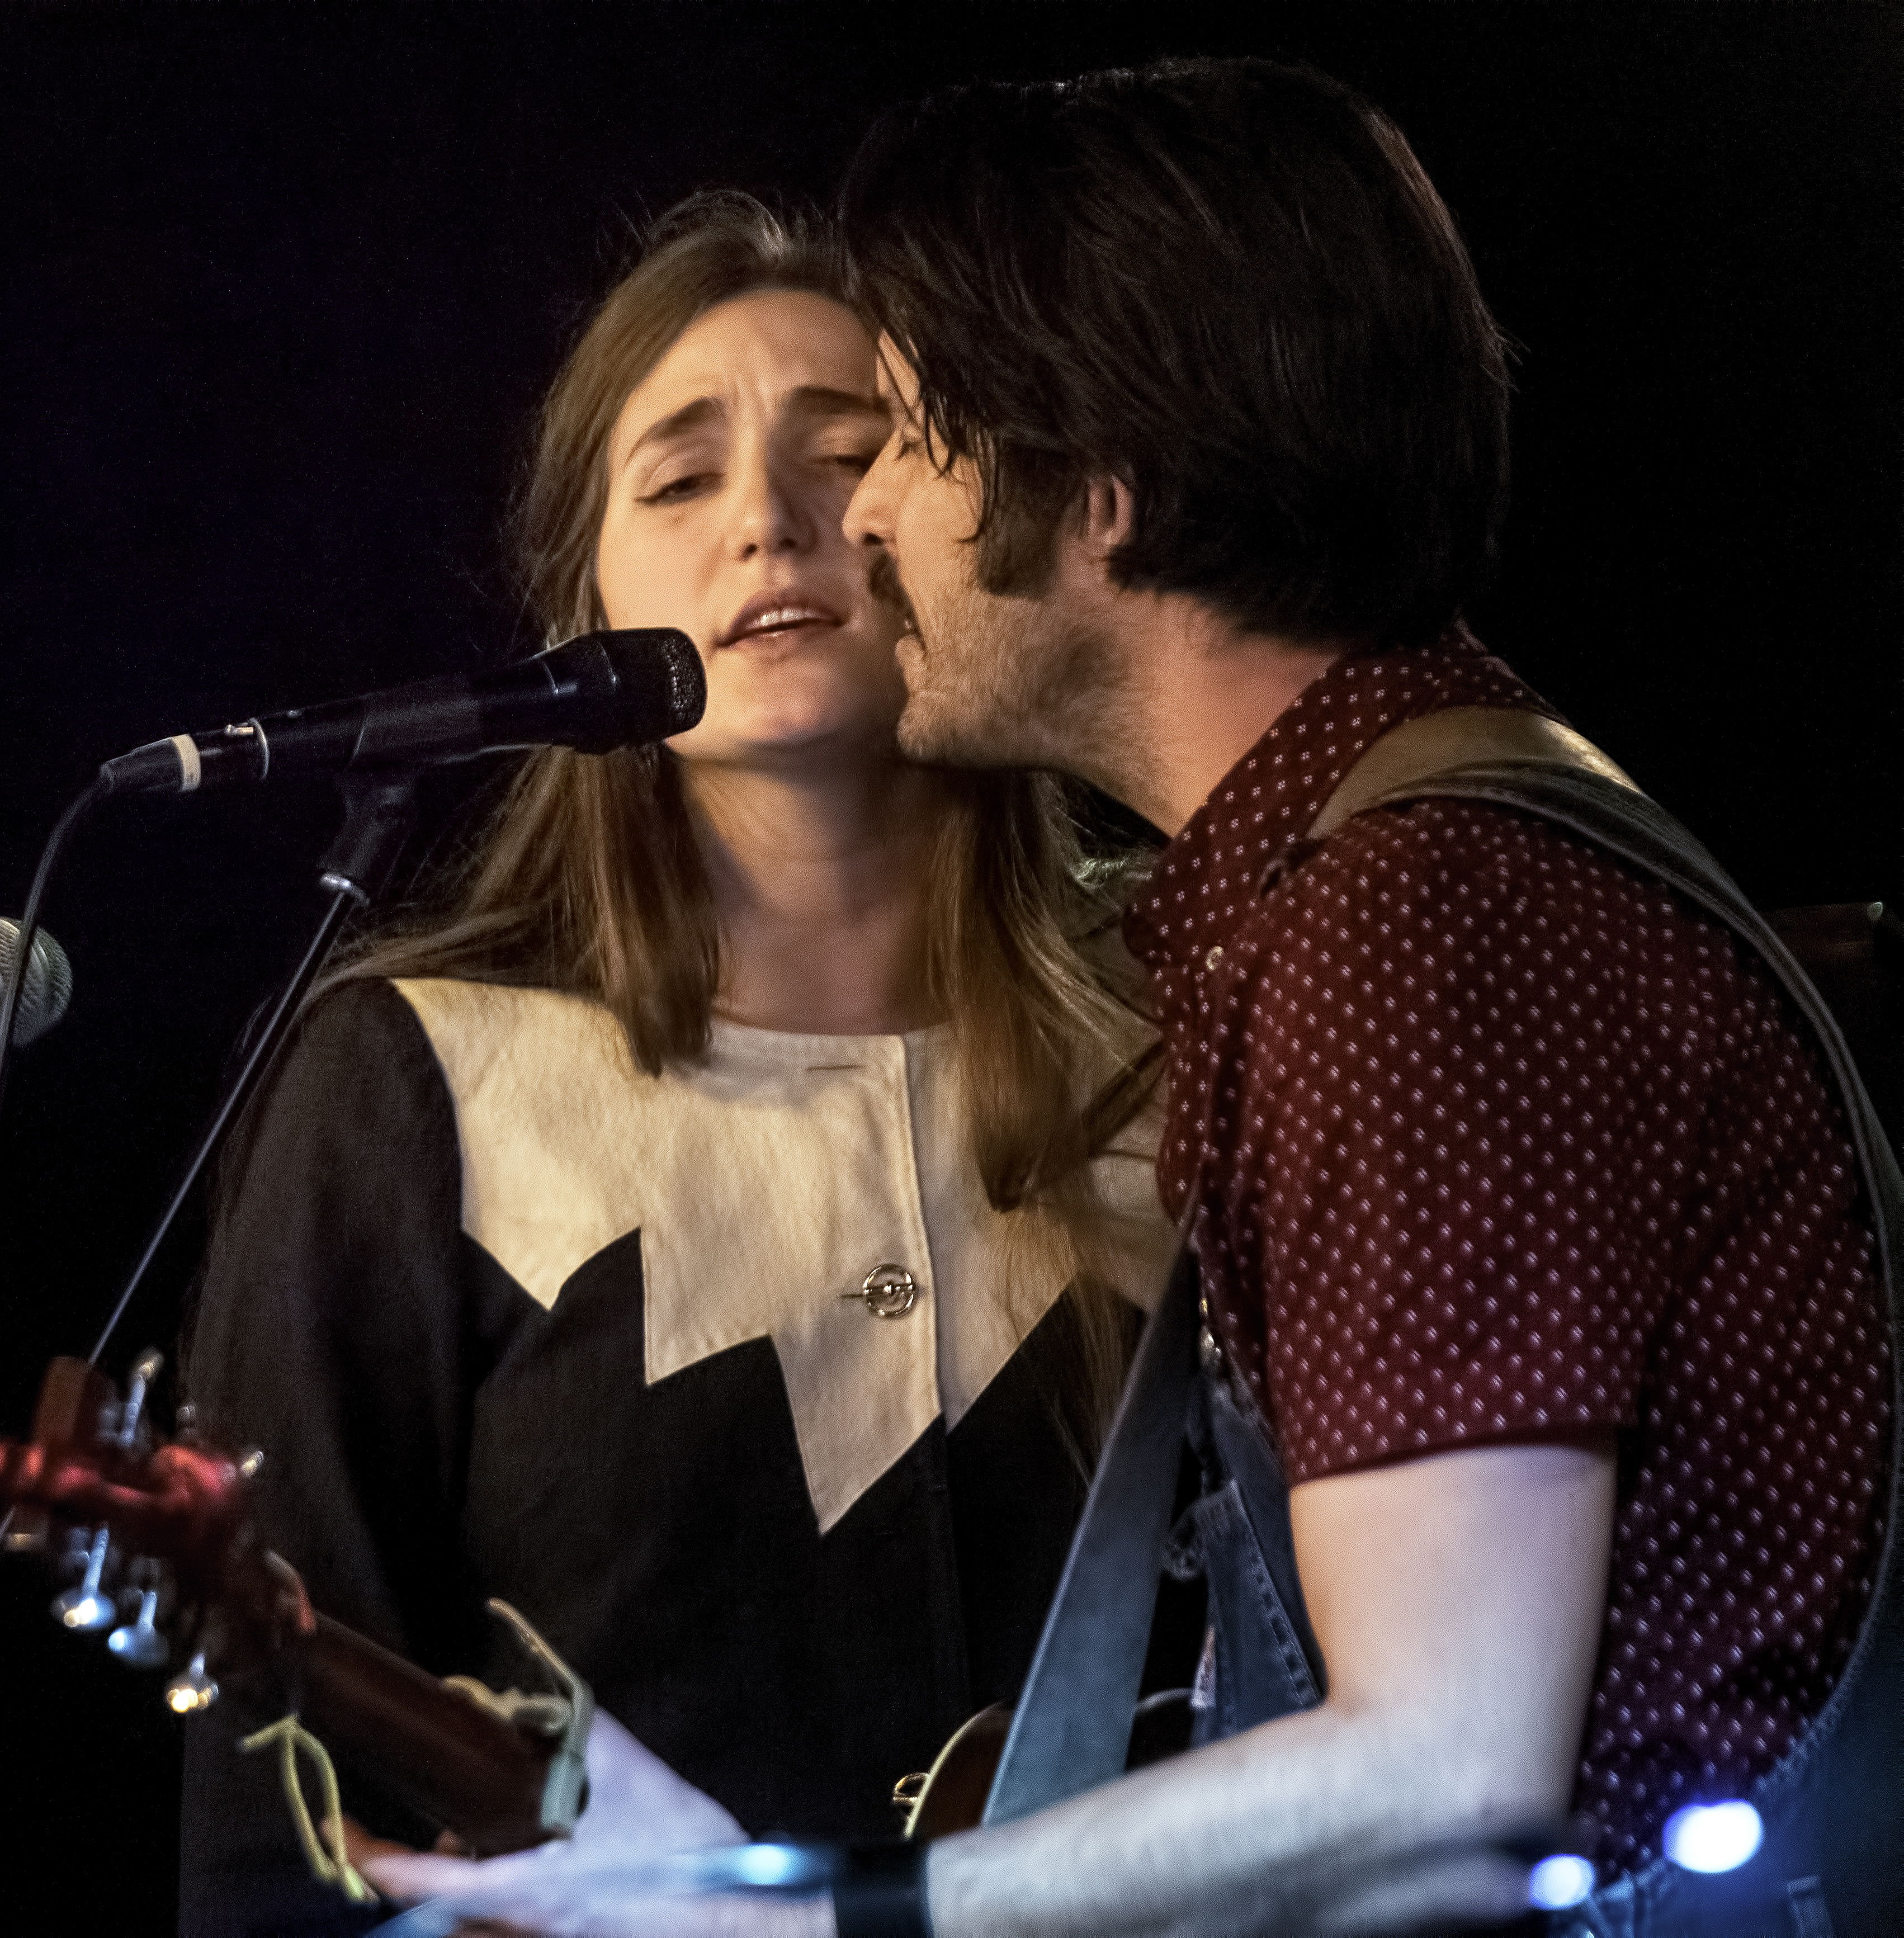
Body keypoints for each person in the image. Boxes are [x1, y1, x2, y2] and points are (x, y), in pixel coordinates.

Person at [365, 56, 1901, 1938]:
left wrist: (816, 1922)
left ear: (1100, 488)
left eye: (909, 444)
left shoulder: (1407, 929)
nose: (865, 528)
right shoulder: (1374, 880)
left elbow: (1449, 1766)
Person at [177, 192, 1177, 1937]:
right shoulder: (417, 1078)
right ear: (591, 596)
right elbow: (279, 1815)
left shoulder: (1198, 1024)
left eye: (847, 451)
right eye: (679, 479)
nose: (771, 525)